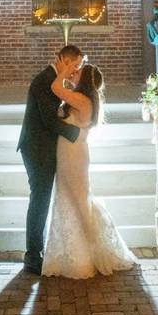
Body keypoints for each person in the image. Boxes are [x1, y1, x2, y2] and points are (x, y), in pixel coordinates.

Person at [40, 61, 137, 278]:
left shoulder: (83, 100)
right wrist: (68, 75)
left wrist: (63, 72)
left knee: (79, 200)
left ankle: (88, 255)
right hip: (67, 154)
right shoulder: (80, 98)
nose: (75, 72)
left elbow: (56, 89)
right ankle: (69, 253)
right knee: (69, 198)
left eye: (78, 71)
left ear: (84, 80)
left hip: (74, 156)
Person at [16, 44, 84, 275]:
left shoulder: (56, 81)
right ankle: (32, 257)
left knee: (42, 199)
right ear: (63, 60)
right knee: (40, 200)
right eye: (74, 65)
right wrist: (77, 134)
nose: (76, 70)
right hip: (37, 149)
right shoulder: (44, 81)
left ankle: (38, 252)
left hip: (45, 147)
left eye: (78, 67)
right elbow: (48, 120)